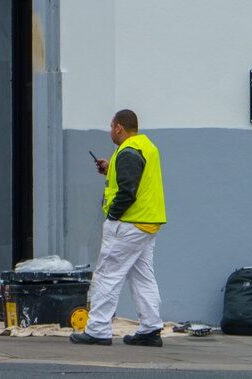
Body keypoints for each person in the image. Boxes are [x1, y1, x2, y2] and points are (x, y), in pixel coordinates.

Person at [70, 108, 165, 347]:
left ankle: (98, 329)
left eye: (111, 126)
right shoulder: (145, 147)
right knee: (142, 276)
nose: (110, 131)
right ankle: (151, 329)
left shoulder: (128, 152)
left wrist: (113, 215)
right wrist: (110, 168)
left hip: (128, 224)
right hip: (147, 224)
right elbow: (135, 178)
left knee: (107, 275)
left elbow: (128, 190)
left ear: (118, 127)